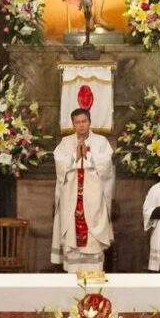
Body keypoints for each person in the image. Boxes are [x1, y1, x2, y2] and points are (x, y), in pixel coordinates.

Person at [51, 108, 114, 272]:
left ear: (90, 122)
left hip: (93, 198)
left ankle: (93, 271)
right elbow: (59, 165)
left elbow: (106, 166)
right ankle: (73, 271)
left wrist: (89, 156)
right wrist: (75, 156)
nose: (81, 125)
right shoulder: (65, 142)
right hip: (72, 196)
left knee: (93, 233)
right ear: (73, 124)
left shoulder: (101, 141)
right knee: (72, 230)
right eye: (77, 122)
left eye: (84, 121)